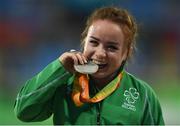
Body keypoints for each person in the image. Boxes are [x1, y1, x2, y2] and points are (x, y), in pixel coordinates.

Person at [14, 6, 165, 125]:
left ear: (126, 53)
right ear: (84, 42)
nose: (100, 53)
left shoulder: (143, 95)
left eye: (111, 47)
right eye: (93, 42)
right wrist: (59, 68)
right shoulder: (63, 84)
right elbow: (23, 111)